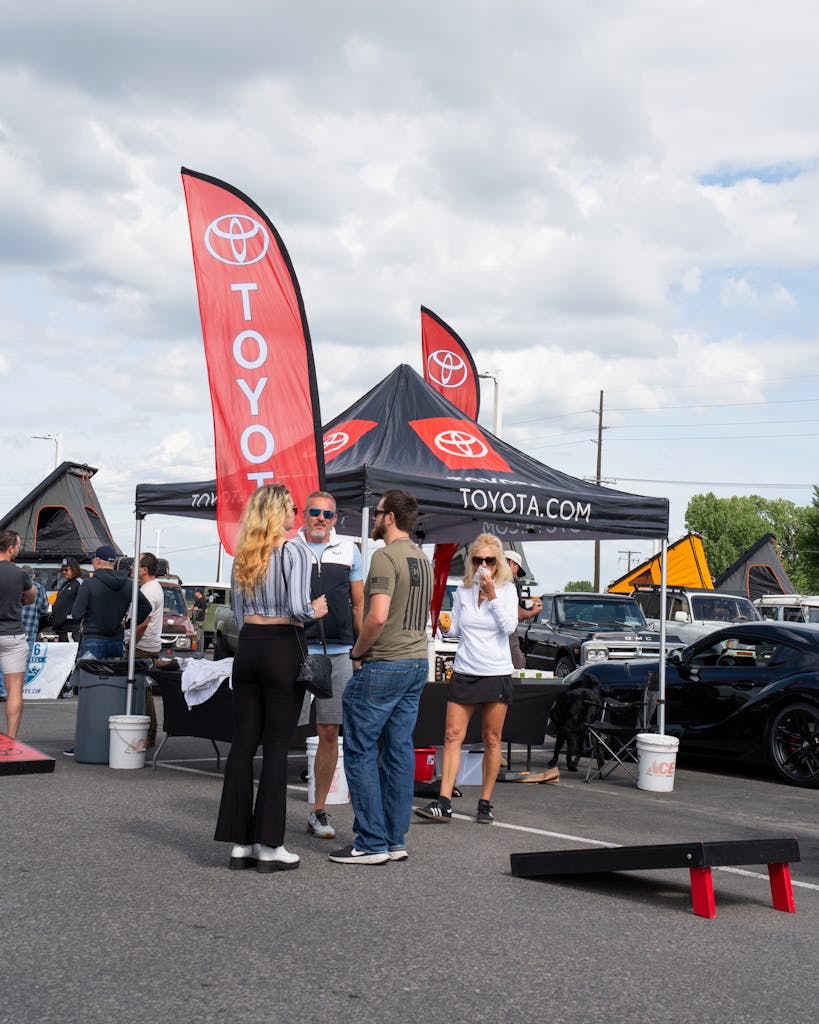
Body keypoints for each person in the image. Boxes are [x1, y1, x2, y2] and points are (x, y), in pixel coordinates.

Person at [214, 484, 327, 873]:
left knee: (243, 744)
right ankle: (270, 845)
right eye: (293, 507)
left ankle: (240, 843)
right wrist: (315, 609)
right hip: (282, 646)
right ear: (280, 512)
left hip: (249, 647)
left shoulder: (243, 554)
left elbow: (238, 613)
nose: (297, 513)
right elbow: (298, 608)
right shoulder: (295, 551)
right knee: (276, 746)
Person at [329, 490, 432, 866]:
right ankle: (393, 839)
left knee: (360, 749)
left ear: (390, 517)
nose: (373, 517)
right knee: (399, 751)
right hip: (416, 662)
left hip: (385, 662)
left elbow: (377, 616)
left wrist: (357, 652)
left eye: (377, 512)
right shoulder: (422, 558)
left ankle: (371, 842)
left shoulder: (385, 557)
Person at [416, 533, 518, 825]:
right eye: (477, 560)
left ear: (498, 563)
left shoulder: (507, 591)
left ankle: (485, 802)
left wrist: (492, 595)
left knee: (492, 738)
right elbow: (457, 629)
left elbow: (509, 627)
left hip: (495, 672)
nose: (483, 565)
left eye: (489, 560)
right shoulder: (463, 591)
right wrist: (444, 626)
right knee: (451, 735)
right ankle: (444, 801)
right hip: (465, 669)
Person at [292, 490, 364, 839]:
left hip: (338, 652)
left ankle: (318, 810)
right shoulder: (289, 548)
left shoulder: (349, 550)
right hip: (295, 649)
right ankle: (267, 811)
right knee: (281, 728)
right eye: (315, 512)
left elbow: (359, 604)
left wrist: (361, 649)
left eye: (328, 514)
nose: (321, 518)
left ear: (336, 518)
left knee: (330, 731)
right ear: (304, 514)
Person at [0, 530, 37, 738]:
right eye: (19, 546)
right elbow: (32, 597)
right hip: (12, 635)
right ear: (11, 548)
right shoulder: (20, 573)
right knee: (14, 689)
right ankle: (11, 738)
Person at [71, 544, 132, 658]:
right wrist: (128, 623)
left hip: (93, 639)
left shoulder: (89, 583)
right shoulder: (128, 583)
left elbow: (76, 614)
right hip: (117, 641)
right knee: (115, 670)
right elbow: (146, 607)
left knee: (90, 670)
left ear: (98, 561)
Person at [503, 550, 542, 670]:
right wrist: (532, 612)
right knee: (518, 664)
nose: (516, 575)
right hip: (506, 633)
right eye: (517, 570)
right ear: (512, 563)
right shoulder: (508, 584)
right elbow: (516, 613)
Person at [19, 565, 50, 677]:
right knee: (25, 661)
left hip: (11, 629)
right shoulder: (39, 588)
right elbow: (44, 609)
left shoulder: (13, 586)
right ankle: (21, 687)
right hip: (30, 629)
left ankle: (4, 687)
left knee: (6, 662)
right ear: (33, 576)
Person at [52, 558, 84, 642]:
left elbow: (82, 603)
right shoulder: (65, 584)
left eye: (66, 570)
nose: (63, 572)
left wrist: (70, 617)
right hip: (61, 627)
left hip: (70, 627)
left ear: (74, 569)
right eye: (62, 570)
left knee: (71, 649)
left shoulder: (79, 583)